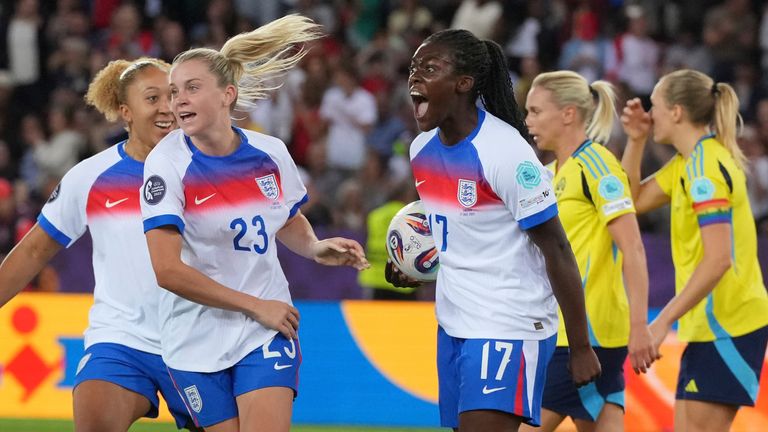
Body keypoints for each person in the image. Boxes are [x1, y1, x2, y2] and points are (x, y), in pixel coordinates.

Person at [140, 15, 369, 432]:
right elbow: (167, 271)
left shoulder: (270, 152)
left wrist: (315, 247)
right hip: (193, 336)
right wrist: (254, 306)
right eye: (174, 92)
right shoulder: (165, 164)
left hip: (264, 331)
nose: (178, 101)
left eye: (192, 88)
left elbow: (284, 218)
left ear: (227, 95)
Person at [387, 29, 601, 432]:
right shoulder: (421, 150)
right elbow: (454, 232)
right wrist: (412, 266)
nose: (415, 77)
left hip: (508, 323)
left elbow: (557, 249)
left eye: (429, 68)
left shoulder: (505, 152)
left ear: (463, 83)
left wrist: (580, 345)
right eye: (414, 68)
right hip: (453, 325)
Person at [0, 58, 198, 431]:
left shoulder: (210, 168)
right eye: (151, 97)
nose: (166, 108)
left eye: (172, 96)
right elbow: (34, 250)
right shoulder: (90, 177)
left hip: (201, 341)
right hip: (121, 341)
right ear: (125, 111)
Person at [621, 69, 768, 432]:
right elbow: (629, 201)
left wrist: (663, 319)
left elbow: (719, 259)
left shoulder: (704, 170)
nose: (649, 114)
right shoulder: (688, 163)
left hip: (729, 325)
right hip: (710, 328)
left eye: (654, 106)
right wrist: (636, 141)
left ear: (676, 112)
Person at [521, 70, 657, 432]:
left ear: (568, 114)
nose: (528, 121)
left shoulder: (595, 165)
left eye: (535, 111)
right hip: (560, 331)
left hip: (586, 336)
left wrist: (640, 325)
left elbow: (633, 247)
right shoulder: (546, 174)